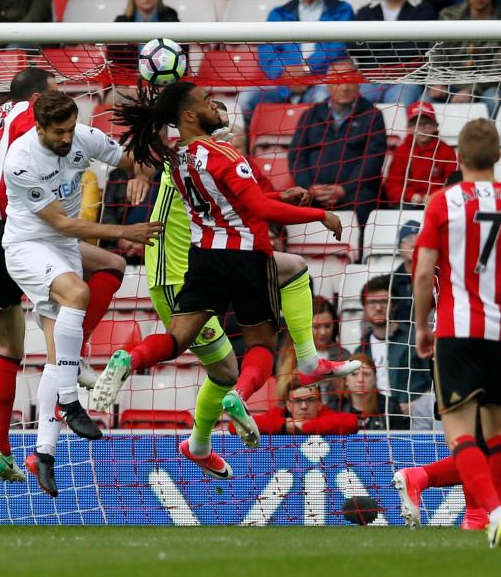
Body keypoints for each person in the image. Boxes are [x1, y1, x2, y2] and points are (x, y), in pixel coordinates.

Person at [103, 81, 355, 483]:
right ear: (189, 115)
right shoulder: (223, 152)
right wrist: (319, 216)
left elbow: (238, 197)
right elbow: (255, 207)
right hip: (241, 257)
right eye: (206, 102)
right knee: (260, 348)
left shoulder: (178, 157)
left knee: (179, 340)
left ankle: (129, 359)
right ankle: (246, 393)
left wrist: (279, 197)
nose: (214, 106)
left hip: (202, 260)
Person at [1, 90, 161, 497]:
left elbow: (132, 159)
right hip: (28, 247)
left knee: (58, 356)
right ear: (39, 127)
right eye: (59, 131)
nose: (68, 138)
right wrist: (126, 232)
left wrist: (141, 174)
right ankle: (72, 402)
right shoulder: (19, 162)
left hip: (63, 250)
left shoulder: (83, 137)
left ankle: (44, 453)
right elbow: (63, 224)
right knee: (78, 292)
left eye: (71, 128)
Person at [410, 118, 501, 547]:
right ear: (498, 156)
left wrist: (422, 326)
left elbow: (423, 275)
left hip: (456, 331)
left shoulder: (443, 202)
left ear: (458, 156)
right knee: (500, 430)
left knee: (460, 432)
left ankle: (493, 513)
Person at [0, 68, 127, 483]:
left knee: (9, 348)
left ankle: (0, 449)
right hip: (22, 232)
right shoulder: (34, 119)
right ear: (40, 101)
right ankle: (70, 369)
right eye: (55, 94)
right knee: (111, 266)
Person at [240, 0, 354, 126]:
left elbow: (337, 48)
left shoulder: (343, 10)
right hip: (282, 83)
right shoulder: (278, 13)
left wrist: (307, 70)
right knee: (245, 99)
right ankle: (247, 148)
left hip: (321, 81)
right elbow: (267, 52)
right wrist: (285, 73)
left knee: (321, 99)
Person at [288, 59, 386, 227]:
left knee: (365, 202)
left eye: (350, 80)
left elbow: (373, 160)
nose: (344, 87)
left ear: (359, 83)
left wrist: (344, 189)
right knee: (290, 203)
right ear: (327, 83)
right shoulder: (311, 115)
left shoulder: (372, 115)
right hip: (313, 192)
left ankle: (359, 251)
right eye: (337, 80)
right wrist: (309, 187)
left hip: (354, 193)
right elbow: (297, 155)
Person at [350, 0, 434, 105]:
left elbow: (417, 49)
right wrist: (400, 42)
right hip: (371, 80)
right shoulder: (364, 12)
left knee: (397, 106)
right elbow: (356, 48)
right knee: (357, 106)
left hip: (408, 81)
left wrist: (374, 43)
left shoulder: (422, 10)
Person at [354, 274, 432, 427]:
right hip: (375, 422)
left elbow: (435, 383)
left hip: (415, 420)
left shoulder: (414, 339)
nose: (378, 307)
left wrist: (417, 406)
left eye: (384, 301)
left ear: (394, 305)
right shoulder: (361, 349)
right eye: (372, 302)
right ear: (364, 308)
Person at [431, 0, 501, 116]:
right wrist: (437, 82)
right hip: (450, 84)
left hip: (484, 87)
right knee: (427, 102)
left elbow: (498, 68)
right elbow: (437, 53)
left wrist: (470, 90)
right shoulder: (448, 16)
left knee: (492, 99)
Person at [384, 101, 458, 208]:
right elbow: (392, 185)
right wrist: (410, 196)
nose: (422, 128)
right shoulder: (402, 151)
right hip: (407, 203)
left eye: (426, 123)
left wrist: (435, 196)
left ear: (435, 126)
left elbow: (453, 185)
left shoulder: (446, 151)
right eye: (417, 124)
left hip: (438, 203)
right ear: (409, 128)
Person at [108, 0, 180, 72]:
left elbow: (181, 58)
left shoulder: (172, 20)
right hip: (129, 81)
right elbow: (113, 64)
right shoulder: (121, 22)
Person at [241, 379, 359, 435]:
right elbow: (235, 425)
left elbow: (352, 422)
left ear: (319, 404)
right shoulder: (278, 415)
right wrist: (283, 426)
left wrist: (302, 426)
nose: (304, 406)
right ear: (288, 405)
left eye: (310, 400)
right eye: (297, 401)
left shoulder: (325, 414)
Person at [335, 353, 409, 430]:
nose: (360, 379)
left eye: (366, 374)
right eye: (354, 374)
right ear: (346, 380)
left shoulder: (390, 407)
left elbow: (398, 441)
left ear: (375, 379)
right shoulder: (334, 408)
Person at [390, 220, 420, 323]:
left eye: (418, 239)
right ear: (398, 248)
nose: (413, 244)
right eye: (408, 239)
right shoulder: (390, 282)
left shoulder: (438, 279)